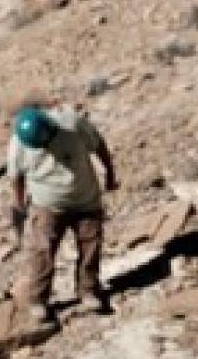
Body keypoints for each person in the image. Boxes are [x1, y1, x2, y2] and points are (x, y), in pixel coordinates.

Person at [8, 97, 118, 322]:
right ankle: (38, 300)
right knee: (42, 251)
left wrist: (109, 173)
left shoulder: (73, 125)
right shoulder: (19, 144)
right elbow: (16, 177)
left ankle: (88, 291)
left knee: (90, 247)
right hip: (47, 205)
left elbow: (98, 144)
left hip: (85, 199)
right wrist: (19, 202)